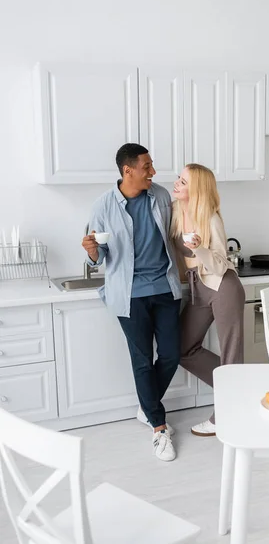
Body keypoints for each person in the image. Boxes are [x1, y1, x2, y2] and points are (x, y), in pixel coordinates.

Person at [82, 143, 181, 462]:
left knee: (171, 354)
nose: (153, 171)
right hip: (129, 295)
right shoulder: (103, 206)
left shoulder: (162, 197)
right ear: (128, 171)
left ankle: (147, 405)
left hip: (164, 289)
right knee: (142, 360)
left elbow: (175, 236)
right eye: (147, 166)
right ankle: (159, 427)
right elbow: (100, 258)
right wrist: (92, 251)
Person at [171, 164, 245, 437]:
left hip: (223, 286)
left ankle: (223, 416)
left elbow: (219, 265)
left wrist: (199, 248)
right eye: (178, 179)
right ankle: (241, 387)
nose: (177, 184)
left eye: (183, 181)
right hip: (197, 288)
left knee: (231, 355)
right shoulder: (176, 211)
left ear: (197, 189)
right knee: (182, 348)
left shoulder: (211, 219)